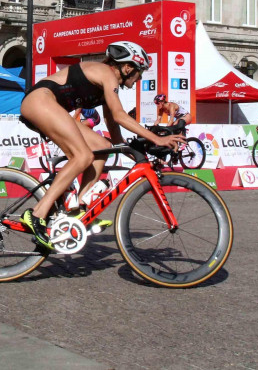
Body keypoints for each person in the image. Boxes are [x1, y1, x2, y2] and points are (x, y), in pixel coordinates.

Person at [19, 41, 183, 249]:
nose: (140, 78)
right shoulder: (107, 73)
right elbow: (120, 115)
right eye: (139, 72)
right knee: (82, 157)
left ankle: (78, 210)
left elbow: (114, 130)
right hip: (40, 101)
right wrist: (156, 138)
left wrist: (134, 152)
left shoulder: (108, 85)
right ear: (128, 67)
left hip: (47, 105)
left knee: (100, 146)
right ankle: (36, 214)